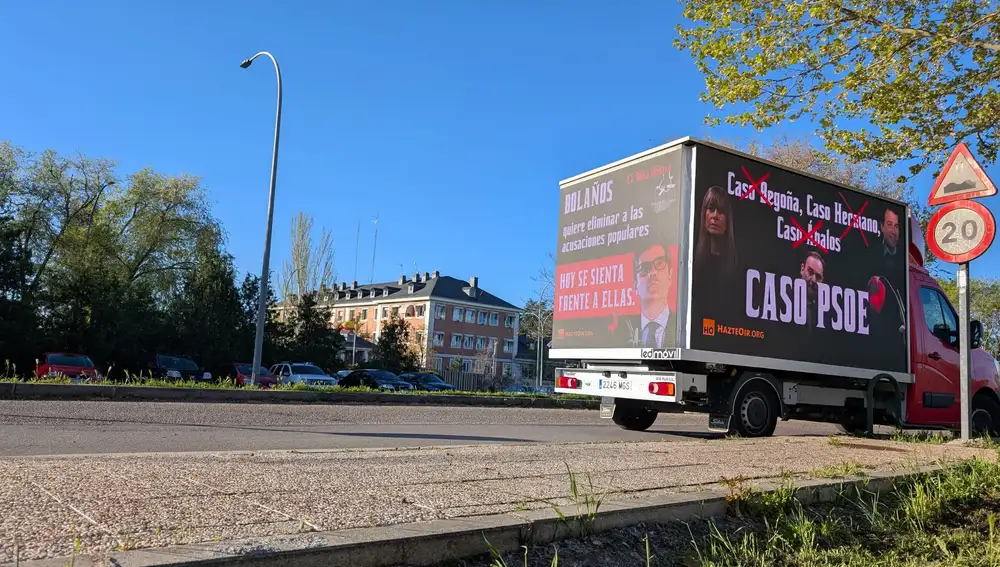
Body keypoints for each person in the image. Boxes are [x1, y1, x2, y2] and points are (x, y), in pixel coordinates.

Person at [610, 241, 677, 348]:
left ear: (670, 276)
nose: (652, 272)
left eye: (659, 263)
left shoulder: (682, 326)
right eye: (644, 268)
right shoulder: (622, 332)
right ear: (635, 285)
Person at [799, 251, 825, 333]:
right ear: (802, 269)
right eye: (810, 271)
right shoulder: (785, 300)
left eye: (818, 277)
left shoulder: (824, 313)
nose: (814, 280)